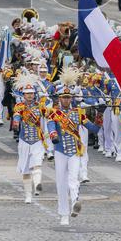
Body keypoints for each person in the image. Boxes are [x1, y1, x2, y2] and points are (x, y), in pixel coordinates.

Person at [47, 75, 99, 226]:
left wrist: (100, 114)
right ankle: (63, 213)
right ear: (59, 98)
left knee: (73, 179)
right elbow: (51, 127)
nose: (66, 100)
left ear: (71, 98)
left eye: (68, 97)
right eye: (63, 97)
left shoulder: (78, 113)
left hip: (75, 151)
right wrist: (53, 135)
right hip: (60, 150)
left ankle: (75, 202)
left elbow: (93, 128)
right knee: (61, 183)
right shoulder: (53, 113)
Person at [12, 73, 45, 202]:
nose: (30, 95)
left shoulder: (40, 106)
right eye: (27, 93)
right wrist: (15, 122)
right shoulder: (20, 106)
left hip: (37, 140)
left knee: (37, 163)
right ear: (23, 95)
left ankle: (37, 185)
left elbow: (49, 115)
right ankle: (28, 195)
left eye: (31, 93)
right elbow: (16, 115)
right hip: (24, 140)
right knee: (26, 169)